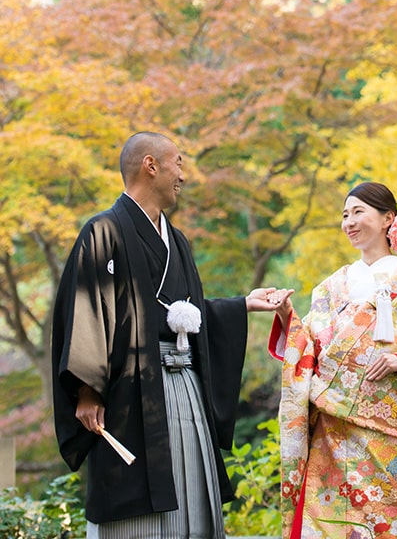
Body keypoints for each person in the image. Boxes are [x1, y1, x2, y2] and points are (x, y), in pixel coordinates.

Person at [52, 131, 291, 539]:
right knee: (136, 495)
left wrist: (242, 304)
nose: (183, 174)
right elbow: (86, 309)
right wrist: (88, 391)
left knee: (191, 491)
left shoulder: (176, 241)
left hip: (184, 386)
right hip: (130, 391)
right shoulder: (103, 232)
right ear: (151, 165)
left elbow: (187, 312)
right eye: (177, 163)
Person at [269, 181, 397, 539]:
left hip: (393, 434)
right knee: (329, 526)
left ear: (388, 219)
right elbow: (310, 346)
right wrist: (287, 317)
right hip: (333, 433)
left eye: (358, 212)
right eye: (345, 215)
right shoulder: (332, 286)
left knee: (395, 526)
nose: (349, 222)